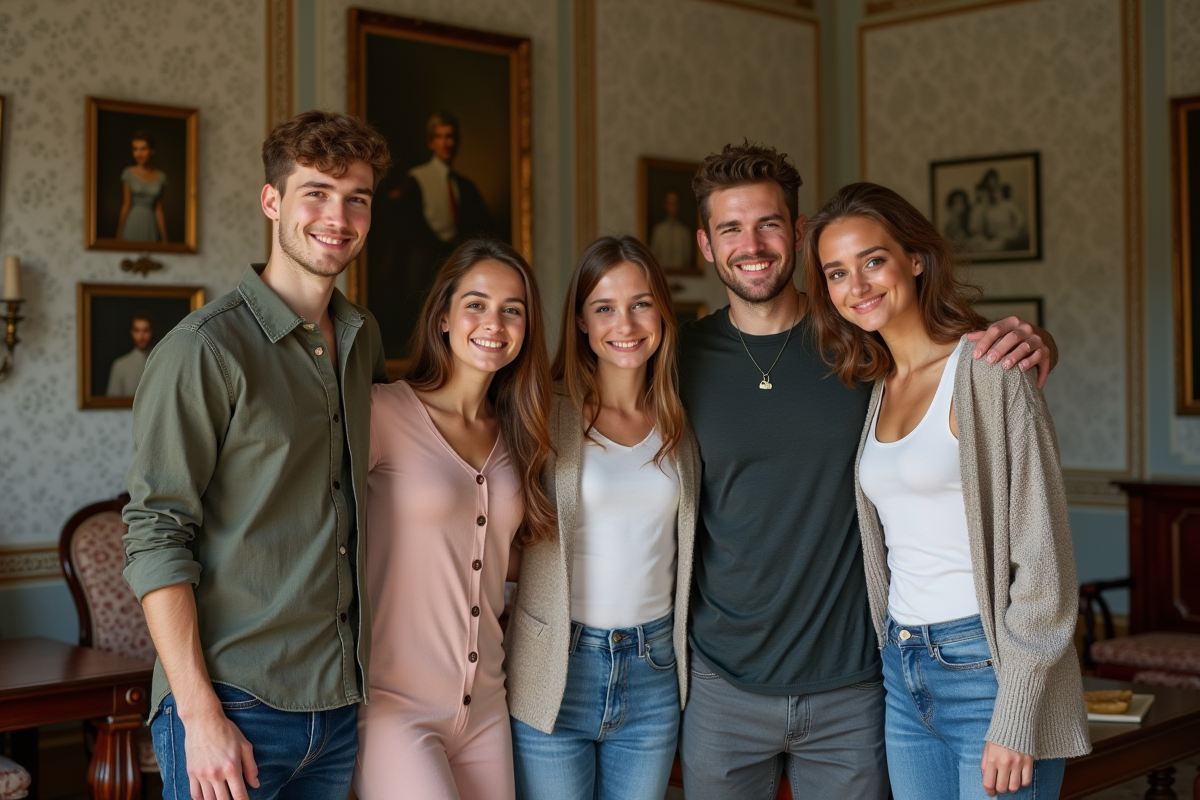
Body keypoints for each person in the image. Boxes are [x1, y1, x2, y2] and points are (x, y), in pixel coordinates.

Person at [675, 142, 1058, 800]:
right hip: (725, 683)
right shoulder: (676, 362)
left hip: (857, 685)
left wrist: (1034, 345)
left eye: (768, 223)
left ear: (795, 233)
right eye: (730, 228)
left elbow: (952, 358)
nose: (753, 244)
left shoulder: (857, 346)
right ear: (706, 245)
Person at [122, 110, 392, 800]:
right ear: (272, 202)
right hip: (233, 706)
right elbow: (156, 535)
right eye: (316, 193)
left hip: (336, 706)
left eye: (356, 198)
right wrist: (199, 715)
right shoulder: (203, 348)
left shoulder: (364, 339)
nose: (338, 216)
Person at [804, 181, 1089, 799]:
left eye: (873, 260)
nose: (858, 286)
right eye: (836, 272)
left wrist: (1016, 715)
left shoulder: (989, 372)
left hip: (990, 669)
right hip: (904, 669)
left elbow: (1044, 562)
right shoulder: (876, 383)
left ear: (915, 259)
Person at [355, 238, 555, 800]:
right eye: (476, 303)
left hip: (488, 707)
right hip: (394, 707)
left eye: (512, 309)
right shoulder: (383, 411)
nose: (494, 322)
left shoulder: (521, 434)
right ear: (442, 317)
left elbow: (502, 554)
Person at [506, 235, 702, 800]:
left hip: (654, 667)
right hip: (555, 667)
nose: (626, 322)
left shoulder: (681, 421)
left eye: (641, 303)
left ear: (663, 313)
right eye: (605, 307)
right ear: (582, 323)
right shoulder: (544, 411)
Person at [117, 130, 169, 243]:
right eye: (135, 149)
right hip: (133, 221)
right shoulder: (128, 173)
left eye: (143, 149)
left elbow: (159, 210)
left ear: (152, 150)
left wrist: (165, 240)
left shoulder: (161, 177)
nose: (139, 154)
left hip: (150, 223)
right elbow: (126, 204)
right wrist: (119, 235)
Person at [106, 312, 153, 396]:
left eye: (145, 330)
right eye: (137, 330)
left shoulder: (162, 362)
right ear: (132, 332)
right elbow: (112, 402)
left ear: (152, 332)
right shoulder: (119, 365)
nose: (141, 336)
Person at [649, 190, 694, 268]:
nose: (672, 206)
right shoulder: (658, 230)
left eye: (675, 203)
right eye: (670, 203)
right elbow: (654, 255)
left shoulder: (684, 232)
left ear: (678, 205)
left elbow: (687, 259)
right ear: (665, 205)